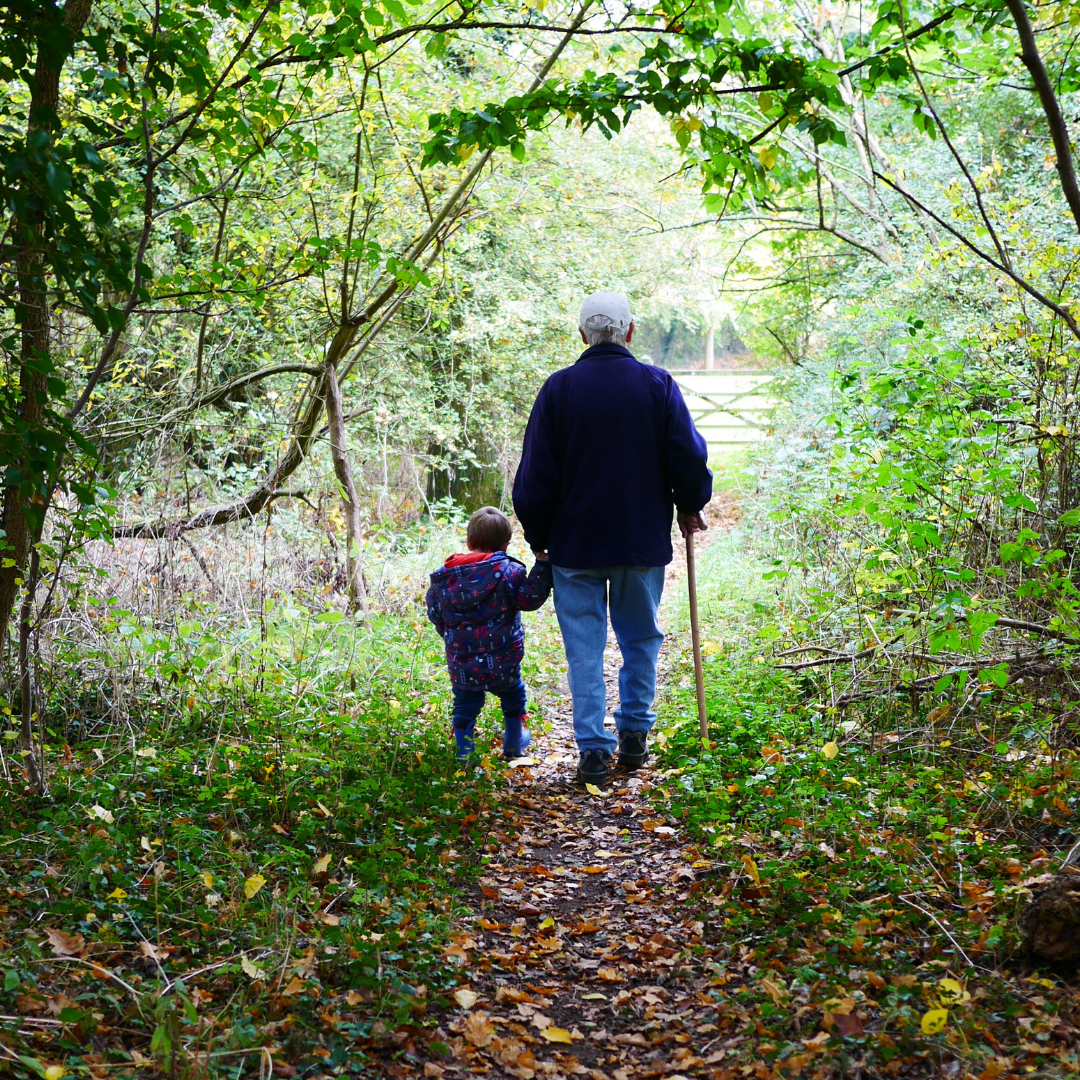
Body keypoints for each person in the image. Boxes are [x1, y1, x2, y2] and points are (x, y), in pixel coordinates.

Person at [512, 291, 712, 785]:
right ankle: (635, 736)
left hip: (572, 546)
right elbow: (687, 455)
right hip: (638, 543)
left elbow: (535, 474)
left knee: (584, 647)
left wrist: (539, 537)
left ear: (582, 334)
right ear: (629, 331)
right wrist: (691, 503)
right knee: (640, 638)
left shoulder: (558, 390)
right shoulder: (657, 385)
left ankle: (593, 751)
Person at [426, 506, 553, 760]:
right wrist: (542, 565)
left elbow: (435, 613)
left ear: (469, 542)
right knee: (513, 693)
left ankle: (464, 753)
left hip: (462, 661)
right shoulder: (509, 573)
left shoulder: (445, 578)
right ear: (505, 545)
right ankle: (514, 742)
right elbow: (529, 600)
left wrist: (454, 640)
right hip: (503, 658)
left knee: (465, 702)